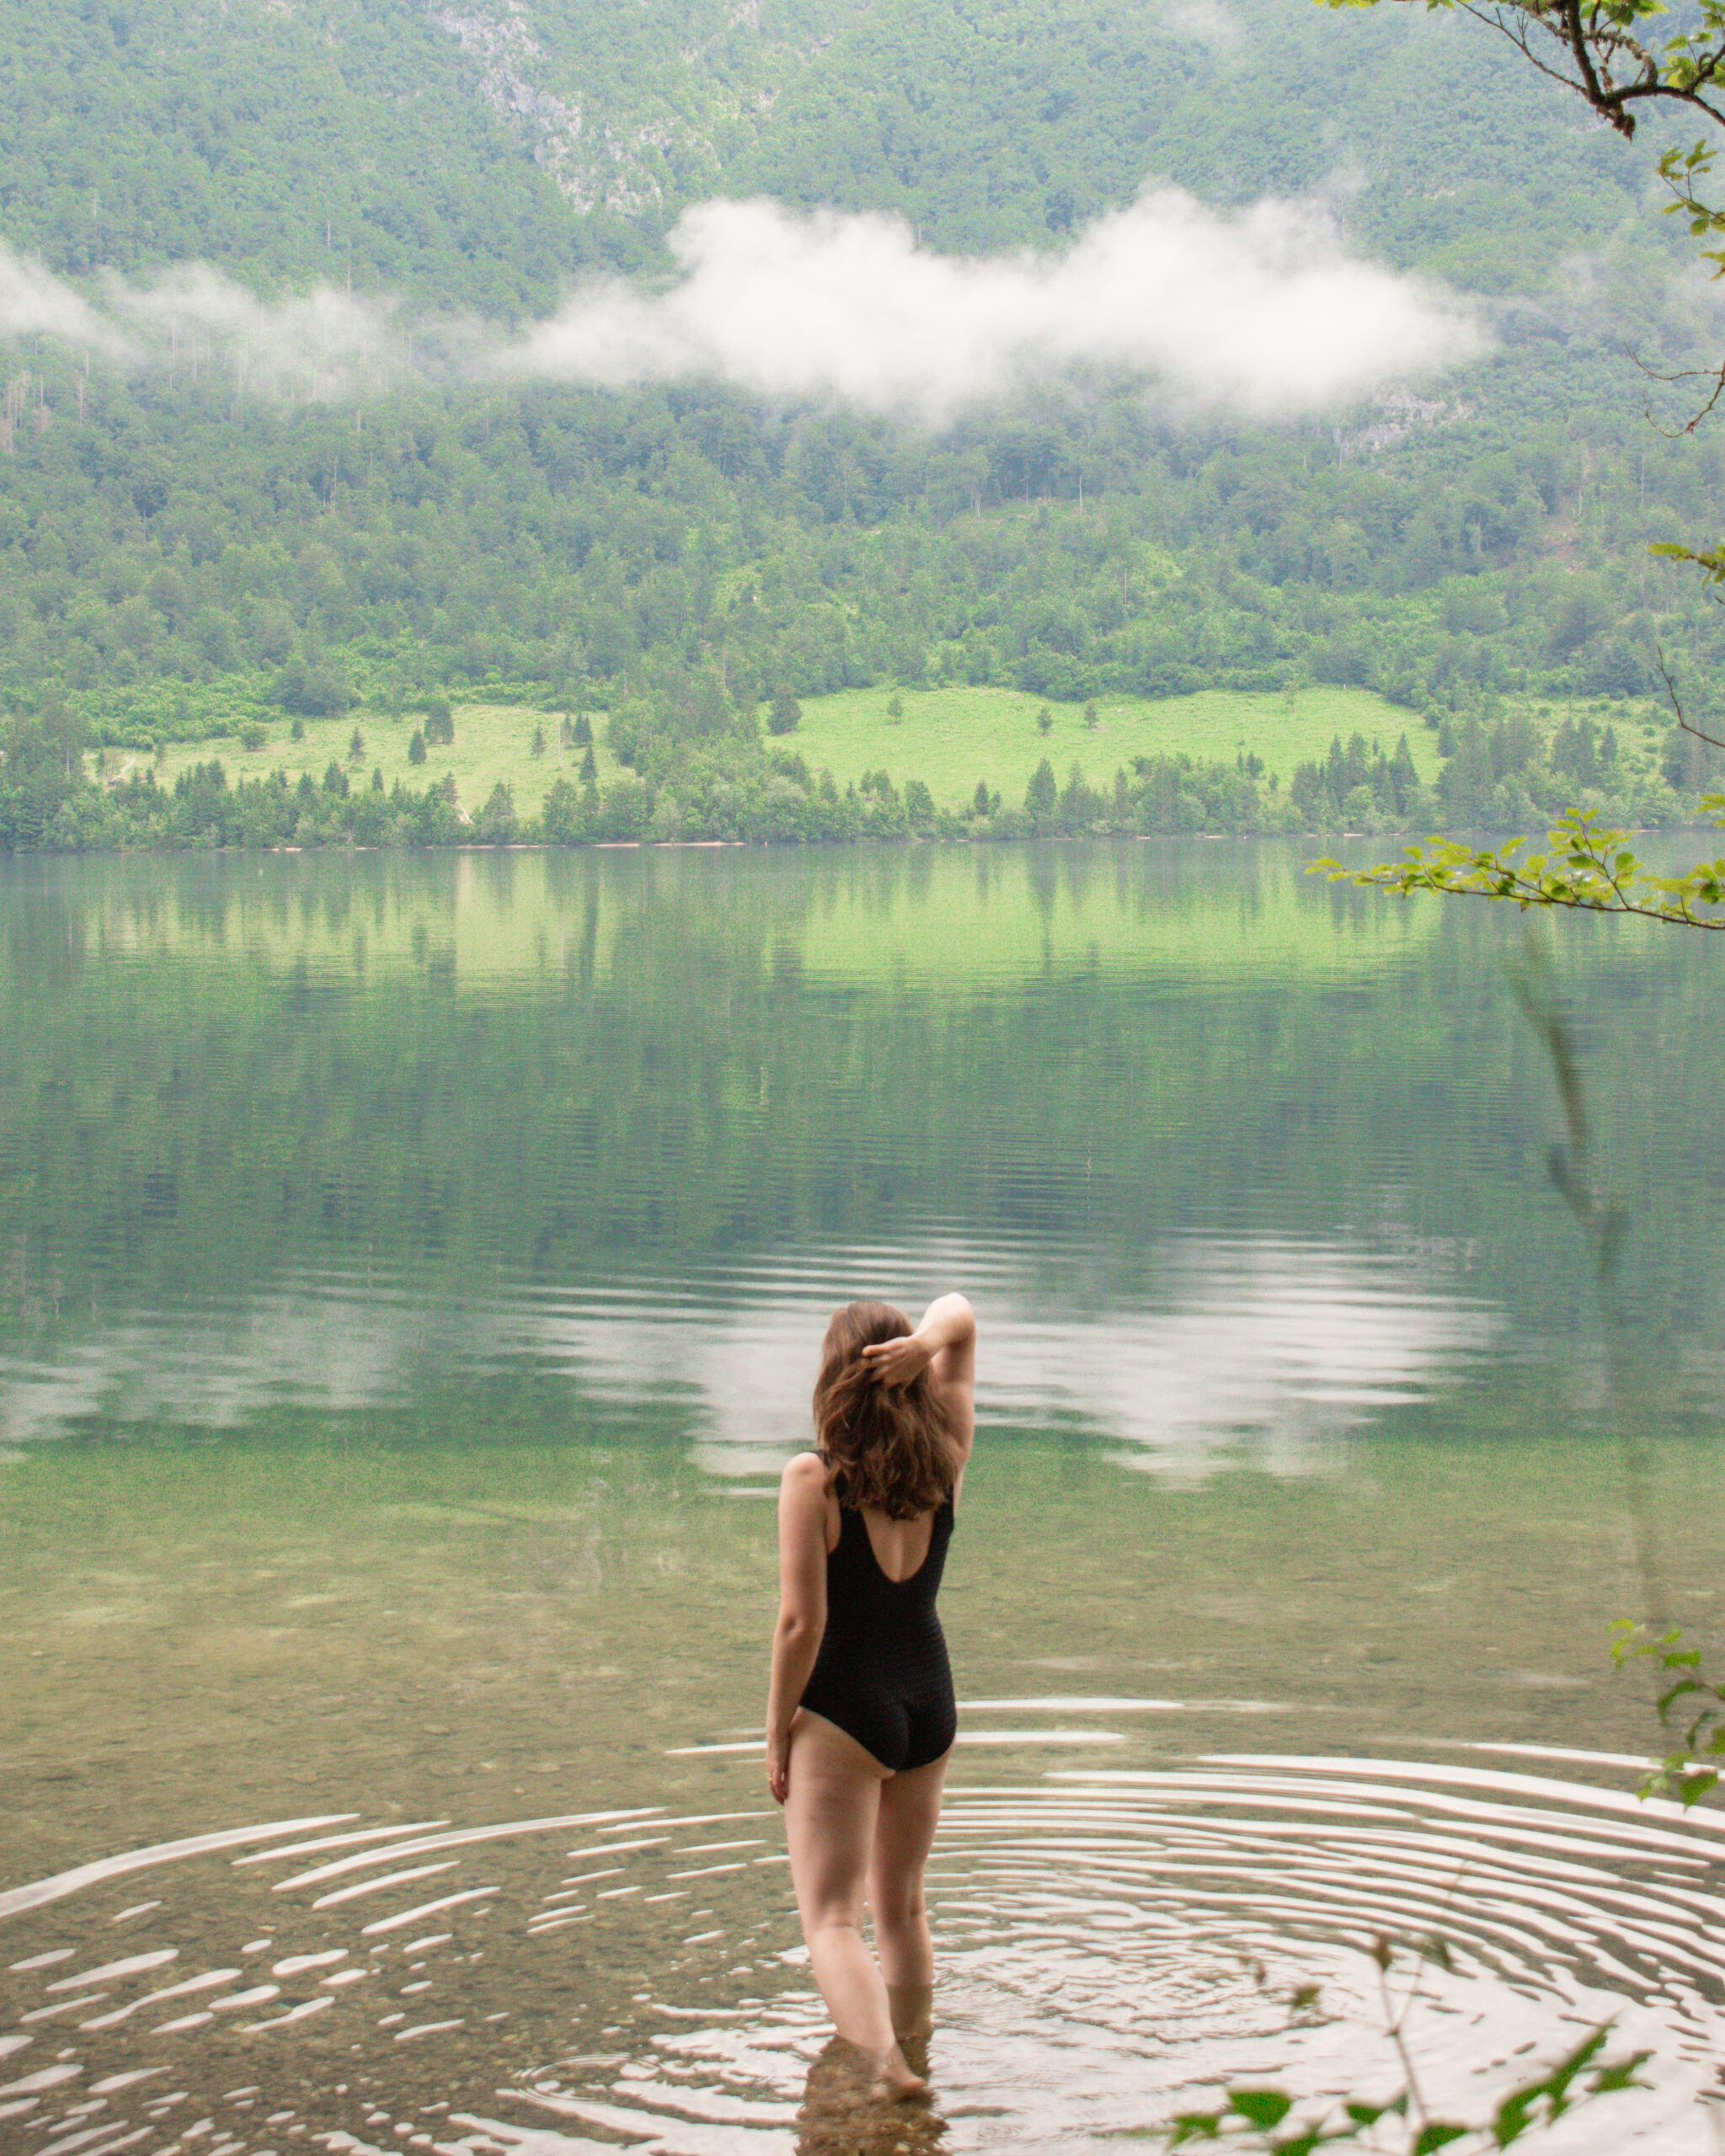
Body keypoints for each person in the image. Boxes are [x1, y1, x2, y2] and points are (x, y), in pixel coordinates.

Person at [766, 1293, 977, 2100]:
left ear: (833, 1380)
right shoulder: (947, 1458)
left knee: (829, 1919)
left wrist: (777, 1729)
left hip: (846, 1708)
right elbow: (962, 1312)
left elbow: (800, 1625)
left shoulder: (813, 1479)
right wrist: (929, 1341)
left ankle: (886, 2069)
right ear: (912, 1375)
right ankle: (916, 2053)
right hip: (930, 1697)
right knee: (904, 1911)